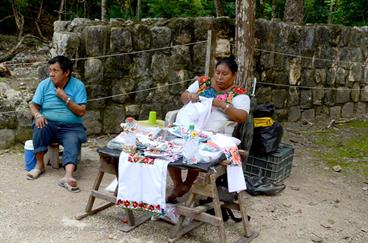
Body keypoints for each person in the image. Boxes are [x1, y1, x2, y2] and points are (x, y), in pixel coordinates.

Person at [167, 56, 250, 202]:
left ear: (234, 75)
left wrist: (222, 105)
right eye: (217, 73)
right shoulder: (202, 83)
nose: (219, 77)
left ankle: (187, 183)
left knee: (198, 149)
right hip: (189, 127)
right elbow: (183, 96)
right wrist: (192, 96)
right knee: (171, 148)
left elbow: (241, 117)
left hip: (212, 134)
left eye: (225, 74)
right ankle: (178, 184)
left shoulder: (239, 94)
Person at [27, 55, 87, 193]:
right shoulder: (44, 84)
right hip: (48, 122)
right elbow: (33, 105)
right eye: (50, 70)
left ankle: (68, 176)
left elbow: (82, 111)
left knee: (73, 139)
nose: (51, 74)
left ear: (66, 72)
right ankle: (39, 165)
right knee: (39, 126)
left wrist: (65, 98)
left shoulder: (78, 86)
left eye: (55, 70)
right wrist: (38, 115)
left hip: (71, 126)